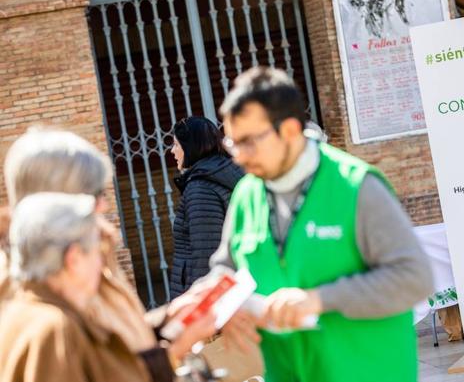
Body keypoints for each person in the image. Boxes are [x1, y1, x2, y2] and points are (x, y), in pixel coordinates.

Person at [211, 67, 434, 382]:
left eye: (250, 142)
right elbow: (225, 269)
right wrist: (227, 307)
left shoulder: (356, 186)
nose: (240, 157)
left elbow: (415, 278)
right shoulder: (246, 194)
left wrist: (318, 299)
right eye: (233, 143)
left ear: (289, 130)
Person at [2, 129, 216, 381]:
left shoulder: (88, 254)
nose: (103, 204)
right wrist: (170, 353)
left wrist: (165, 322)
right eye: (93, 193)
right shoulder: (36, 299)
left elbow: (111, 343)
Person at [0, 193, 160, 382]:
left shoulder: (21, 311)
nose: (102, 262)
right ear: (74, 259)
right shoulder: (56, 330)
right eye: (98, 250)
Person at [170, 116, 243, 298]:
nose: (172, 151)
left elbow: (206, 254)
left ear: (190, 147)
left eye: (176, 145)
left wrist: (199, 306)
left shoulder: (200, 188)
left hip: (205, 295)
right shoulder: (224, 172)